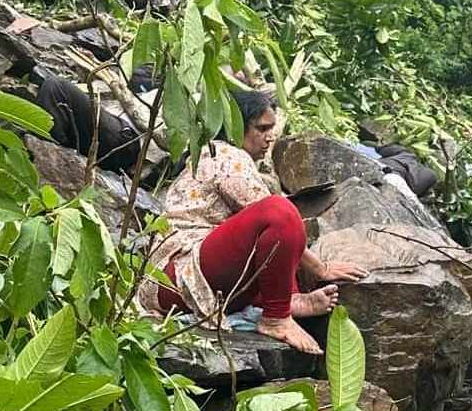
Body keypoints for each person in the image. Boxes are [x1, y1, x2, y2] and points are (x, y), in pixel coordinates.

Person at [142, 90, 367, 353]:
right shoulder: (224, 154)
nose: (270, 137)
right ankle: (276, 317)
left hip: (188, 282)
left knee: (280, 224)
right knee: (280, 212)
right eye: (262, 128)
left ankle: (287, 302)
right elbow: (277, 219)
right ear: (236, 127)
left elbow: (272, 245)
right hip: (178, 276)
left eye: (272, 129)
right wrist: (321, 268)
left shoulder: (224, 157)